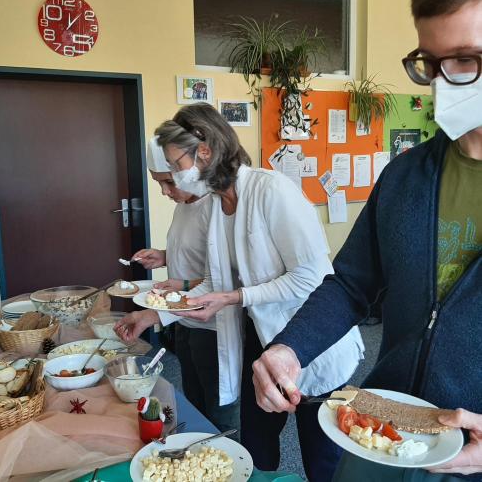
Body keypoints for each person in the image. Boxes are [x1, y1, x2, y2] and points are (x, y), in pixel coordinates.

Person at [252, 0, 482, 480]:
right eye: (430, 62)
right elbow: (352, 283)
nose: (446, 83)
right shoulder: (403, 177)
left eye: (465, 60)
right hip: (379, 432)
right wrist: (289, 348)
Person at [154, 102, 364, 482]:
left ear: (204, 151)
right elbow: (217, 283)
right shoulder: (218, 205)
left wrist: (235, 298)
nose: (173, 176)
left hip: (312, 340)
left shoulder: (272, 191)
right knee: (253, 446)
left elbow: (312, 278)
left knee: (322, 456)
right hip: (262, 341)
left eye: (174, 165)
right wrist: (162, 310)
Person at [115, 137, 240, 436]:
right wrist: (164, 256)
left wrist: (173, 293)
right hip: (182, 320)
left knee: (220, 413)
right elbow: (197, 256)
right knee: (194, 405)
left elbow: (226, 280)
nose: (164, 191)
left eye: (169, 182)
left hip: (212, 328)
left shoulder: (217, 208)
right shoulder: (184, 204)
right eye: (158, 182)